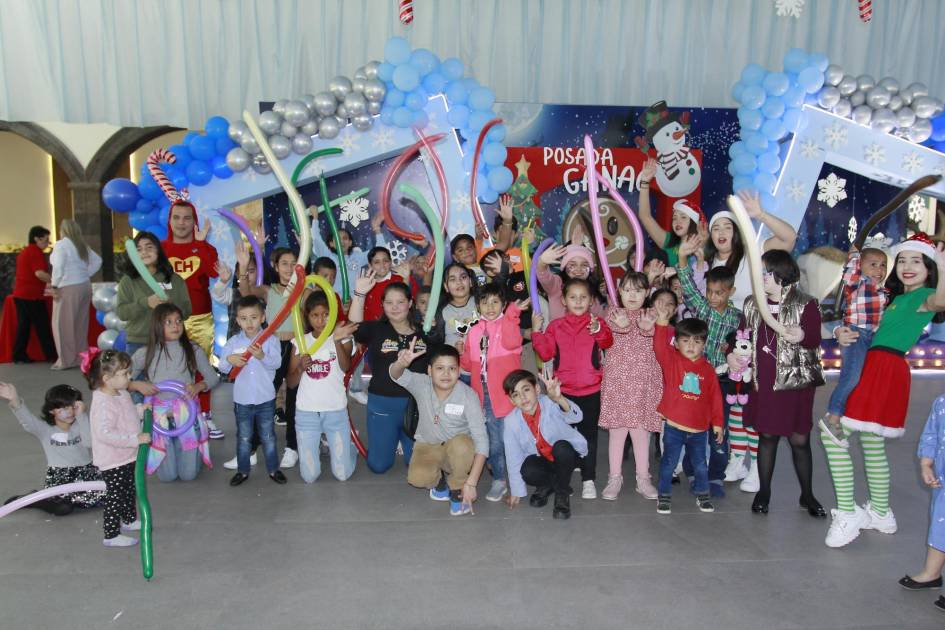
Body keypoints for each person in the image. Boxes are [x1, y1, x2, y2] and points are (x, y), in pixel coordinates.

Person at [823, 234, 945, 548]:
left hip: (884, 368)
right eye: (902, 260)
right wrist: (841, 332)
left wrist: (944, 269)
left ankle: (848, 512)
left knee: (832, 433)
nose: (907, 266)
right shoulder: (893, 297)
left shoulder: (926, 295)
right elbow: (861, 322)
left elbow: (941, 302)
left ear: (930, 268)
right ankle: (880, 512)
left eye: (916, 261)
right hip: (876, 364)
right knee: (871, 442)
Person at [742, 250, 825, 517]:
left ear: (781, 273)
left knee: (800, 439)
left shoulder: (806, 304)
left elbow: (814, 339)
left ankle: (807, 494)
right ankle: (764, 491)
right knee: (767, 437)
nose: (761, 277)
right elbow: (742, 336)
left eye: (765, 272)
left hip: (796, 385)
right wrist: (734, 354)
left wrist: (802, 334)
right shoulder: (753, 303)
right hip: (764, 384)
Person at [532, 277, 614, 499]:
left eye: (583, 297)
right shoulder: (556, 326)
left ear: (591, 300)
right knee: (564, 436)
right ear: (564, 301)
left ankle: (588, 479)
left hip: (591, 391)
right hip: (563, 393)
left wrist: (598, 330)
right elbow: (545, 354)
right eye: (573, 297)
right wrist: (537, 332)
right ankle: (564, 477)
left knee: (589, 437)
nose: (578, 301)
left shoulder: (596, 322)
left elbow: (607, 342)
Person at [676, 235, 744, 498]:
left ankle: (716, 475)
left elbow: (744, 347)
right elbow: (687, 285)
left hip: (723, 383)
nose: (713, 297)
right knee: (695, 428)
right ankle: (692, 469)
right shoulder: (702, 309)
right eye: (710, 292)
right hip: (698, 380)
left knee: (719, 430)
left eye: (720, 293)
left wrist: (733, 349)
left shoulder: (738, 318)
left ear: (731, 292)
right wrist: (682, 257)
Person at [389, 341, 489, 516]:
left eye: (452, 368)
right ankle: (440, 482)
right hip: (427, 445)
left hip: (457, 449)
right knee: (417, 478)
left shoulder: (469, 396)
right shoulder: (422, 384)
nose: (446, 374)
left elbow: (482, 441)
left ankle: (458, 487)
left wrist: (471, 483)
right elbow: (395, 375)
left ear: (459, 371)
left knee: (463, 445)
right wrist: (401, 364)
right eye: (440, 368)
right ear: (429, 371)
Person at [646, 309, 724, 515]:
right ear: (676, 343)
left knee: (701, 465)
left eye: (697, 341)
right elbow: (658, 347)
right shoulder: (671, 361)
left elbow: (715, 399)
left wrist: (718, 423)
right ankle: (664, 495)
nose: (691, 346)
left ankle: (703, 494)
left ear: (704, 344)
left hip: (699, 431)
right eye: (685, 341)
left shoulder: (708, 370)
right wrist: (662, 324)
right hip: (674, 427)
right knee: (668, 463)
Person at [349, 274, 427, 473]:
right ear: (382, 305)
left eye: (400, 302)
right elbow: (355, 328)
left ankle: (402, 439)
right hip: (383, 403)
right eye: (389, 302)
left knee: (416, 466)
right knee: (379, 466)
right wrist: (359, 294)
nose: (395, 307)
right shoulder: (377, 329)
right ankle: (391, 438)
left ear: (410, 303)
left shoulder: (425, 331)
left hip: (416, 406)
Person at [132, 304, 217, 482]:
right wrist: (138, 385)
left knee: (188, 475)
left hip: (187, 416)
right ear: (157, 325)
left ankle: (193, 450)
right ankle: (176, 449)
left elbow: (212, 377)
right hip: (160, 420)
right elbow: (121, 382)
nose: (175, 326)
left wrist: (198, 386)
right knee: (168, 476)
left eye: (178, 321)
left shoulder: (192, 349)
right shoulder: (145, 353)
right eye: (168, 322)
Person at [599, 271, 662, 501]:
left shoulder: (652, 314)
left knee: (641, 434)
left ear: (647, 293)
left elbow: (660, 338)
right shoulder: (612, 313)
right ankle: (614, 477)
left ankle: (643, 478)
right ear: (619, 292)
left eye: (638, 290)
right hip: (618, 385)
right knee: (617, 433)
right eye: (627, 290)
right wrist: (623, 326)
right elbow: (605, 336)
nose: (632, 295)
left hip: (643, 386)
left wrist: (647, 328)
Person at [459, 283, 525, 502]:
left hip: (508, 395)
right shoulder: (474, 331)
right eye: (485, 302)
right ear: (477, 305)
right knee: (492, 440)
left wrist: (513, 314)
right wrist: (461, 353)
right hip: (483, 395)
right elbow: (468, 365)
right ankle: (500, 478)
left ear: (504, 305)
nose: (490, 307)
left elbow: (513, 341)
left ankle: (506, 478)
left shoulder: (508, 325)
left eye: (495, 302)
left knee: (505, 440)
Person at [239, 245, 303, 466]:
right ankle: (252, 448)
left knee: (295, 399)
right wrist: (243, 267)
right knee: (265, 397)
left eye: (293, 263)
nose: (289, 267)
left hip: (297, 347)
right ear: (275, 267)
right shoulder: (269, 290)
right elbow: (246, 292)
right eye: (284, 263)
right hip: (274, 348)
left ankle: (292, 447)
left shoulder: (304, 289)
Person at [820, 244, 889, 449]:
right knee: (851, 376)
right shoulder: (857, 282)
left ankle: (855, 416)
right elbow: (850, 272)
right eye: (873, 264)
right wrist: (855, 255)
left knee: (867, 380)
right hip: (856, 334)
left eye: (883, 265)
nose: (879, 269)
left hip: (873, 336)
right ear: (861, 266)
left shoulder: (883, 290)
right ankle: (832, 417)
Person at [287, 292, 359, 483]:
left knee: (342, 474)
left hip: (335, 410)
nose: (320, 320)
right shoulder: (300, 341)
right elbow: (291, 382)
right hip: (306, 413)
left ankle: (350, 448)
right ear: (307, 317)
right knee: (309, 476)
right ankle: (317, 447)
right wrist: (301, 368)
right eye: (315, 315)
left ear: (333, 313)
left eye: (326, 314)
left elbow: (346, 367)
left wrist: (336, 340)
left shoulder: (343, 337)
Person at [0, 382, 105, 514]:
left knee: (113, 494)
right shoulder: (45, 429)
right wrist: (15, 400)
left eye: (73, 407)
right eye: (64, 408)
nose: (70, 412)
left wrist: (82, 416)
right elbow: (28, 421)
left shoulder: (81, 422)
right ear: (51, 410)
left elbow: (89, 443)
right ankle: (34, 499)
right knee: (63, 508)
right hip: (60, 477)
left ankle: (50, 498)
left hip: (86, 473)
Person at [85, 349, 150, 547]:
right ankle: (111, 534)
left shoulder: (121, 393)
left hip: (127, 455)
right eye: (124, 374)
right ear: (107, 379)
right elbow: (105, 434)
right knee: (115, 496)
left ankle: (129, 520)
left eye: (129, 372)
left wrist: (140, 411)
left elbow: (127, 415)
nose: (130, 377)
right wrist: (135, 439)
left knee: (129, 490)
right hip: (113, 460)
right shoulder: (103, 404)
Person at [219, 296, 286, 486]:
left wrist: (262, 356)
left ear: (263, 317)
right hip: (242, 400)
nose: (249, 323)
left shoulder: (271, 340)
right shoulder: (233, 342)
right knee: (244, 437)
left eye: (254, 317)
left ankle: (273, 469)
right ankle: (242, 470)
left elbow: (277, 363)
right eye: (244, 318)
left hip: (265, 398)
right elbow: (223, 367)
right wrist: (230, 359)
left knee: (268, 436)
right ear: (237, 320)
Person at [502, 369, 586, 520]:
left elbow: (577, 417)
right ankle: (551, 484)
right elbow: (513, 457)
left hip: (567, 456)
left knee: (561, 448)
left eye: (526, 390)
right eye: (516, 395)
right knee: (528, 470)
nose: (523, 397)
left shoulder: (550, 403)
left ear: (537, 389)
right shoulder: (510, 421)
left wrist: (559, 399)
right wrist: (516, 492)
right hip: (543, 460)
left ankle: (562, 494)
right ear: (511, 400)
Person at [899, 393, 945, 611]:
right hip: (942, 483)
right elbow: (931, 433)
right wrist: (926, 463)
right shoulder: (941, 402)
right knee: (939, 528)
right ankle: (932, 573)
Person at [116, 231, 191, 357]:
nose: (144, 252)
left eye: (149, 247)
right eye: (139, 249)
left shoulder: (175, 279)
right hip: (138, 343)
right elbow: (122, 313)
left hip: (170, 342)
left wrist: (171, 305)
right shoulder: (128, 281)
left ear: (158, 251)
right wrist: (146, 303)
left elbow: (187, 311)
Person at [49, 219, 101, 370]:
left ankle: (65, 361)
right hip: (84, 286)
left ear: (63, 230)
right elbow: (98, 261)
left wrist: (54, 285)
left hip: (67, 287)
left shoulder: (61, 245)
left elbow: (58, 267)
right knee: (80, 326)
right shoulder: (82, 245)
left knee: (62, 326)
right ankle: (80, 358)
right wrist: (85, 274)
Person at [637, 159, 701, 267]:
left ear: (694, 222)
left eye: (683, 217)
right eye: (674, 218)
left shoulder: (701, 245)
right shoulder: (669, 242)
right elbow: (645, 216)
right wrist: (645, 182)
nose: (677, 221)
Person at [11, 225, 56, 364]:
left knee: (24, 326)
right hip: (31, 296)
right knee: (42, 326)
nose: (48, 243)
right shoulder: (35, 252)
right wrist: (55, 281)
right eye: (46, 239)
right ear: (37, 238)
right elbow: (39, 273)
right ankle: (51, 355)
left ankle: (19, 355)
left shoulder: (25, 251)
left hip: (21, 294)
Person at [535, 243, 607, 322]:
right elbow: (544, 276)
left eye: (584, 265)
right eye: (572, 265)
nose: (578, 269)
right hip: (558, 330)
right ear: (565, 266)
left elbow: (603, 320)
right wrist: (542, 262)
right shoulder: (557, 286)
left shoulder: (594, 291)